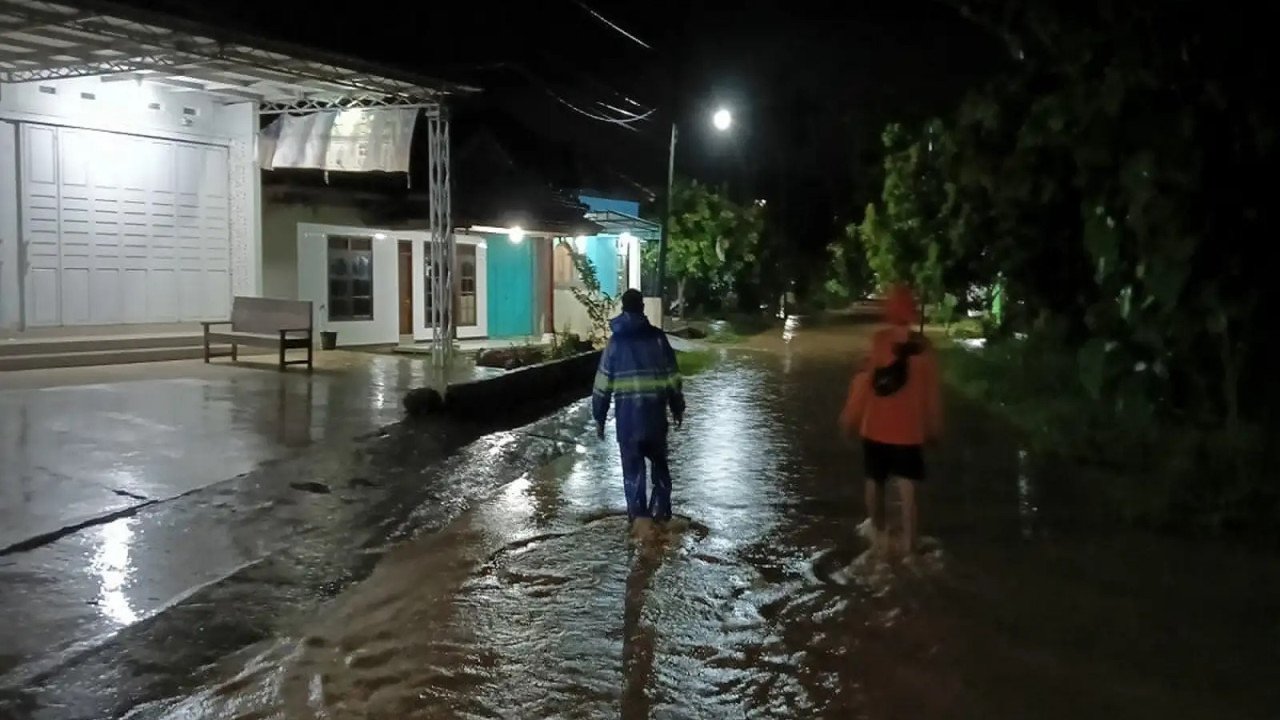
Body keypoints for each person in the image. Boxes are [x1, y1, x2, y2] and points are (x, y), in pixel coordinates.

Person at [839, 285, 942, 556]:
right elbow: (932, 395)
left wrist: (850, 418)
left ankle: (878, 533)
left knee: (874, 481)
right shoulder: (924, 349)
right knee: (908, 490)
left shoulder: (879, 341)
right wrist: (934, 429)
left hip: (874, 428)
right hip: (909, 433)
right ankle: (909, 546)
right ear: (912, 311)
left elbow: (864, 382)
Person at [592, 289, 686, 534]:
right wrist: (677, 407)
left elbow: (602, 385)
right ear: (642, 308)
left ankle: (638, 524)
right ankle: (662, 519)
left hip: (628, 424)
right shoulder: (657, 339)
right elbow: (672, 378)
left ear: (623, 309)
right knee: (661, 471)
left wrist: (599, 418)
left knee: (633, 475)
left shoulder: (615, 343)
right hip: (655, 421)